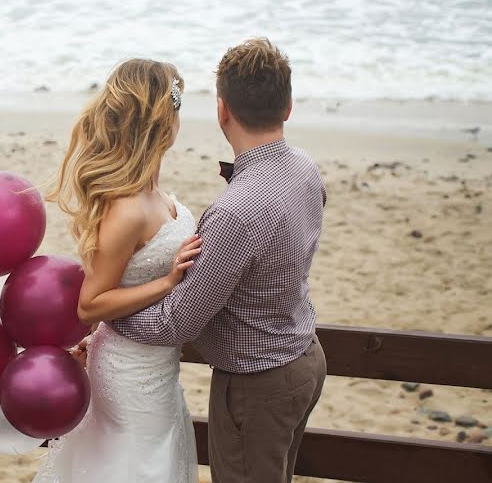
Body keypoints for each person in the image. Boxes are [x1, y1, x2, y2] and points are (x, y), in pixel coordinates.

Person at [110, 38, 327, 483]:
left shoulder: (234, 212)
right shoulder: (305, 168)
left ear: (221, 109)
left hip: (258, 383)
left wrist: (109, 322)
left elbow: (177, 324)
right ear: (287, 107)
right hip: (306, 359)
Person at [34, 58, 202, 483]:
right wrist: (167, 283)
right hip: (129, 373)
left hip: (160, 367)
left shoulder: (157, 192)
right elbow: (91, 304)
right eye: (177, 105)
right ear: (163, 118)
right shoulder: (127, 208)